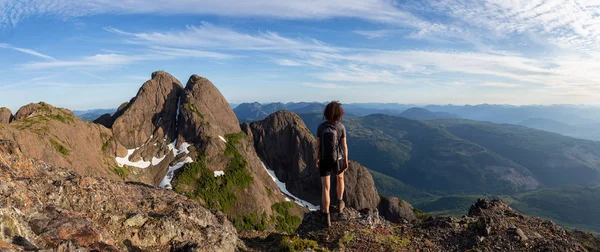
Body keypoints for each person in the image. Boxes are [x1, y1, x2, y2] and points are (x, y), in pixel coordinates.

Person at [315, 101, 349, 227]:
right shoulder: (341, 127)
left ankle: (326, 215)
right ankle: (340, 203)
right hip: (337, 159)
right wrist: (345, 160)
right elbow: (344, 146)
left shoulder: (321, 127)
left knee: (326, 187)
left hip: (324, 160)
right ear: (339, 114)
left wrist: (316, 158)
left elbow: (317, 145)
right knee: (340, 179)